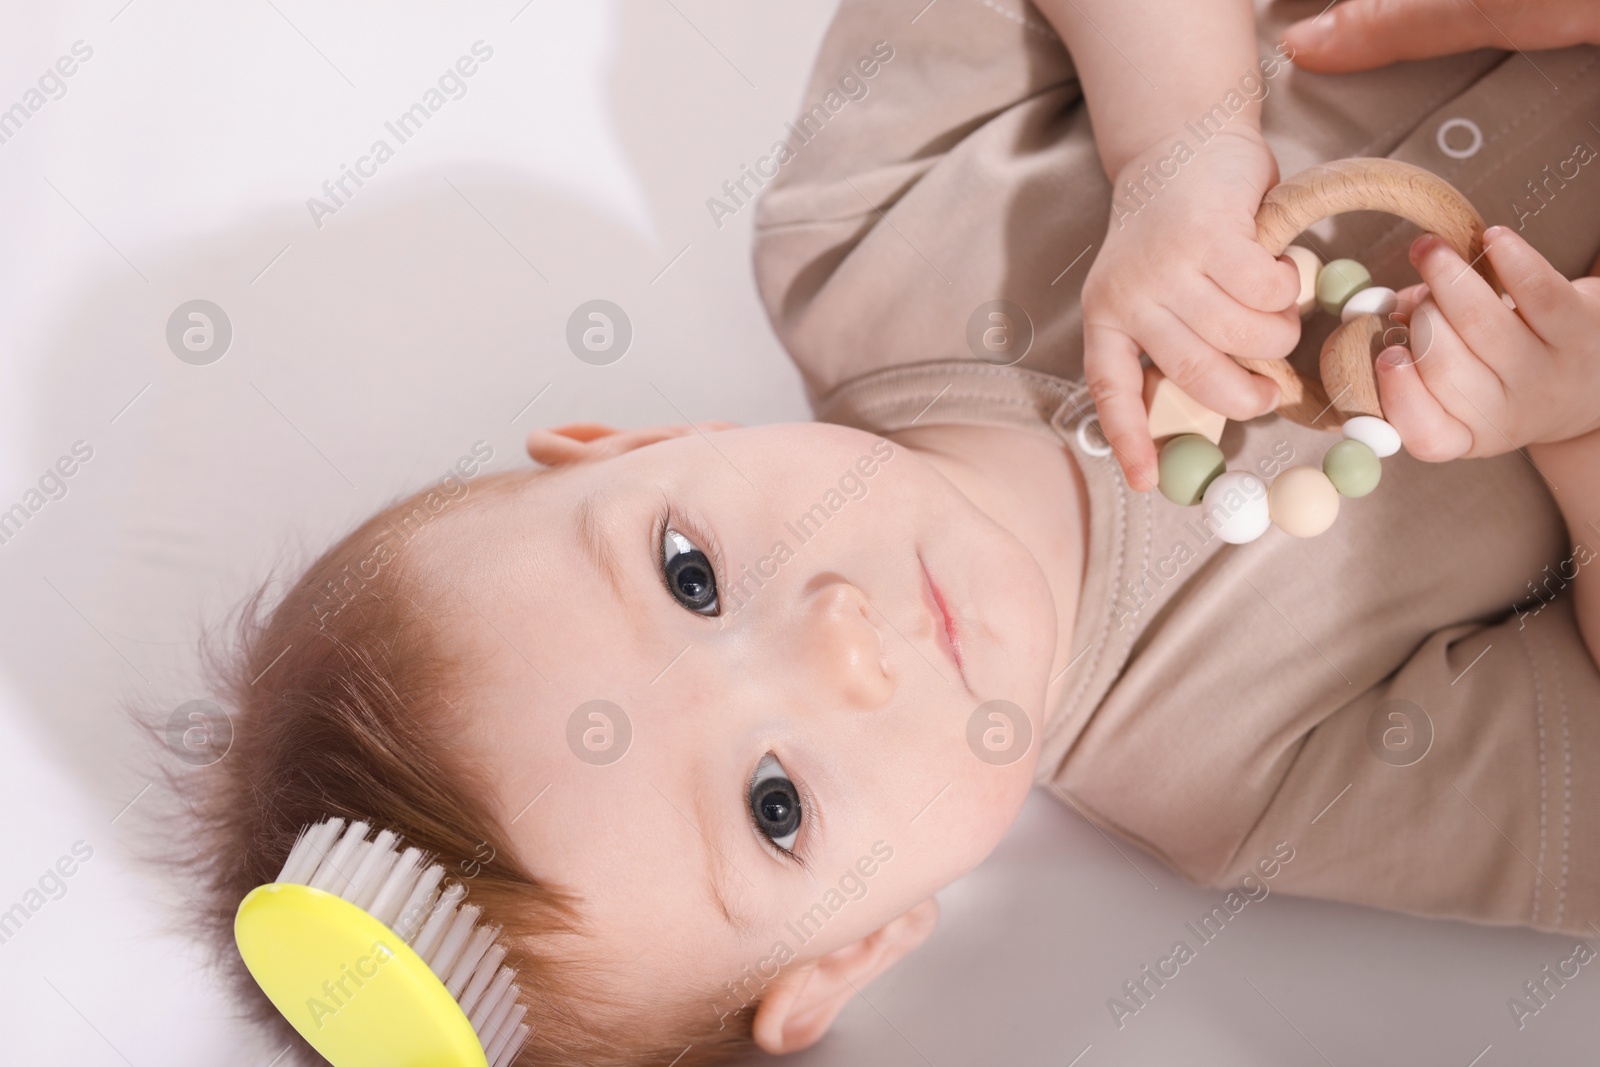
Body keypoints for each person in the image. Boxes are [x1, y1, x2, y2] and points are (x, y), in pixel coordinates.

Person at [191, 1, 1600, 1063]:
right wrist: (1577, 416)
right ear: (851, 953)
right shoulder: (1270, 780)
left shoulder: (866, 221)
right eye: (775, 806)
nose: (838, 640)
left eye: (692, 576)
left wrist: (1176, 144)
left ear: (637, 442)